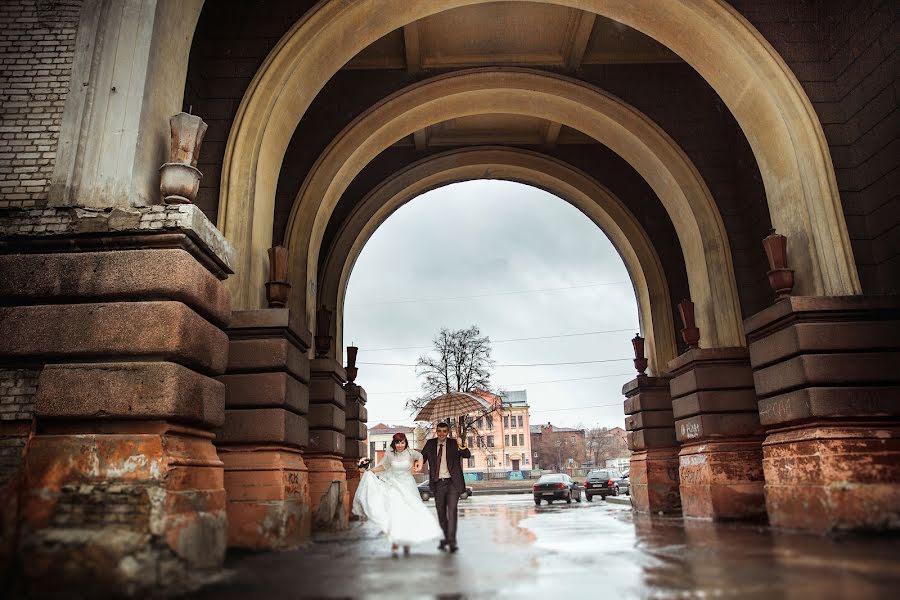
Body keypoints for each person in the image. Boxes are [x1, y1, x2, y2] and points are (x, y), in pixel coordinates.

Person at [352, 432, 443, 556]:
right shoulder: (389, 454)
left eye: (402, 442)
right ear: (394, 443)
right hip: (394, 485)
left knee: (410, 512)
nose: (400, 445)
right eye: (397, 442)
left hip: (408, 485)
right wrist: (370, 470)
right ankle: (395, 539)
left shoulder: (411, 453)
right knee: (396, 512)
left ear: (405, 443)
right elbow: (384, 466)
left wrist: (419, 465)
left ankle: (407, 541)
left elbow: (420, 456)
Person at [418, 421, 471, 553]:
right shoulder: (430, 444)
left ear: (447, 432)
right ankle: (447, 537)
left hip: (453, 483)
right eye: (439, 431)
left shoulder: (454, 443)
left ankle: (452, 542)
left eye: (444, 431)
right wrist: (415, 463)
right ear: (437, 431)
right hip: (438, 483)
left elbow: (467, 455)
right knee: (441, 514)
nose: (442, 434)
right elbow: (422, 458)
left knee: (452, 512)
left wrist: (462, 445)